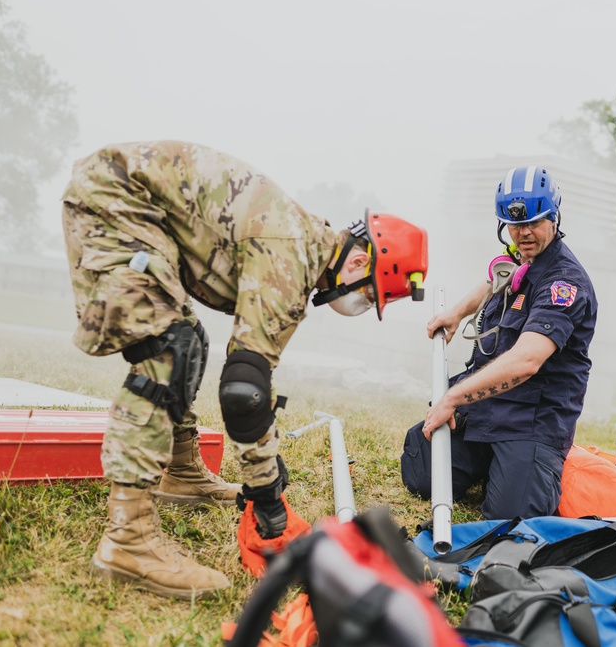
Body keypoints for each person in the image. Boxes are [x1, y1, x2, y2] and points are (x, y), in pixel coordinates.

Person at [61, 140, 428, 599]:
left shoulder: (301, 248)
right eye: (372, 293)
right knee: (168, 351)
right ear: (358, 261)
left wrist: (264, 468)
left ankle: (180, 471)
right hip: (115, 198)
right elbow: (243, 391)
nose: (365, 303)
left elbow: (250, 367)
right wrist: (267, 491)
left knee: (187, 339)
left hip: (127, 198)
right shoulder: (292, 254)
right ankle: (128, 539)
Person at [400, 166, 597, 519]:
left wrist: (453, 397)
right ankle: (495, 466)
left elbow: (527, 361)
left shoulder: (564, 284)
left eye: (534, 223)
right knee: (421, 474)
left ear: (554, 217)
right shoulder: (523, 254)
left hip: (531, 420)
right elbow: (498, 276)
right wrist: (457, 313)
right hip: (486, 410)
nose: (523, 234)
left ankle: (530, 467)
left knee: (511, 520)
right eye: (514, 225)